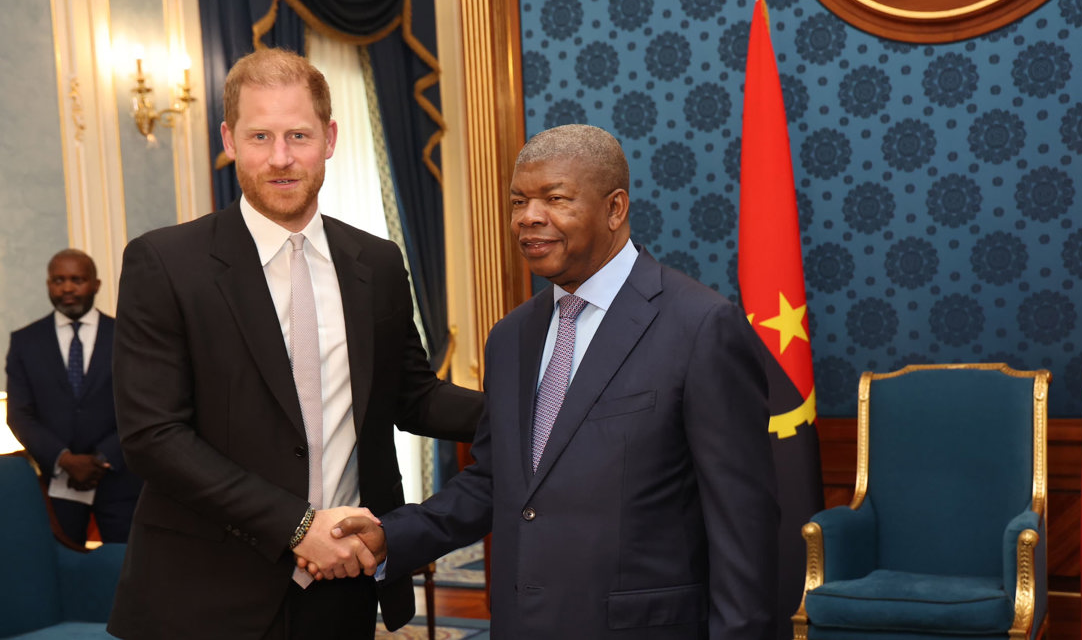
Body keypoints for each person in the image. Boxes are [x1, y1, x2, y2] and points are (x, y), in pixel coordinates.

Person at [320, 124, 780, 639]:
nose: (529, 218)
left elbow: (745, 527)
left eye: (555, 198)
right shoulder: (511, 337)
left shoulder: (700, 326)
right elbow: (496, 481)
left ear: (615, 208)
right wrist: (391, 536)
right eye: (519, 201)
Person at [106, 47, 482, 640]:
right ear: (229, 139)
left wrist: (532, 407)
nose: (281, 158)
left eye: (299, 135)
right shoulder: (165, 263)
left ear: (330, 138)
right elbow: (154, 437)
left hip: (342, 588)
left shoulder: (377, 263)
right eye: (260, 136)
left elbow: (411, 395)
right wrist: (296, 524)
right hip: (202, 598)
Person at [6, 249, 141, 545]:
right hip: (58, 483)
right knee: (62, 572)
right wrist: (65, 459)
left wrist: (102, 458)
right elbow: (19, 414)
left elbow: (143, 406)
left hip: (121, 479)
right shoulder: (25, 341)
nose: (67, 287)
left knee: (129, 569)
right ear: (48, 285)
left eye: (77, 279)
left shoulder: (128, 336)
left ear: (96, 284)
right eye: (58, 280)